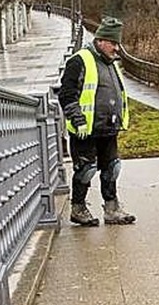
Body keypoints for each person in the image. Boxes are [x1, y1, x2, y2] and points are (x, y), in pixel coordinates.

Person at [57, 16, 137, 226]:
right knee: (86, 170)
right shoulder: (79, 61)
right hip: (85, 128)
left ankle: (112, 209)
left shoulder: (110, 63)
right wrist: (78, 119)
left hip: (108, 128)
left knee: (112, 168)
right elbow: (66, 94)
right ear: (100, 40)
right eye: (113, 43)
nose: (116, 48)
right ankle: (78, 208)